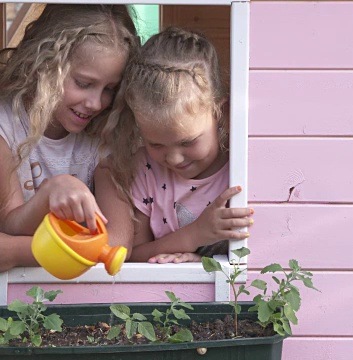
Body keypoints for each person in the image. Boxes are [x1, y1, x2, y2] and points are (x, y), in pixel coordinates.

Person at [0, 5, 140, 275]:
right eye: (84, 83)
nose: (95, 103)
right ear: (45, 66)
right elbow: (10, 222)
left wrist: (15, 252)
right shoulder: (2, 122)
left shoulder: (105, 133)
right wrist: (52, 192)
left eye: (109, 89)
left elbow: (119, 242)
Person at [95, 27, 254, 264]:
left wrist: (200, 259)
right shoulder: (144, 170)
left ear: (220, 111)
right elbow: (133, 255)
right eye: (156, 144)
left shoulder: (240, 167)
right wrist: (193, 235)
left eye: (187, 142)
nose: (174, 159)